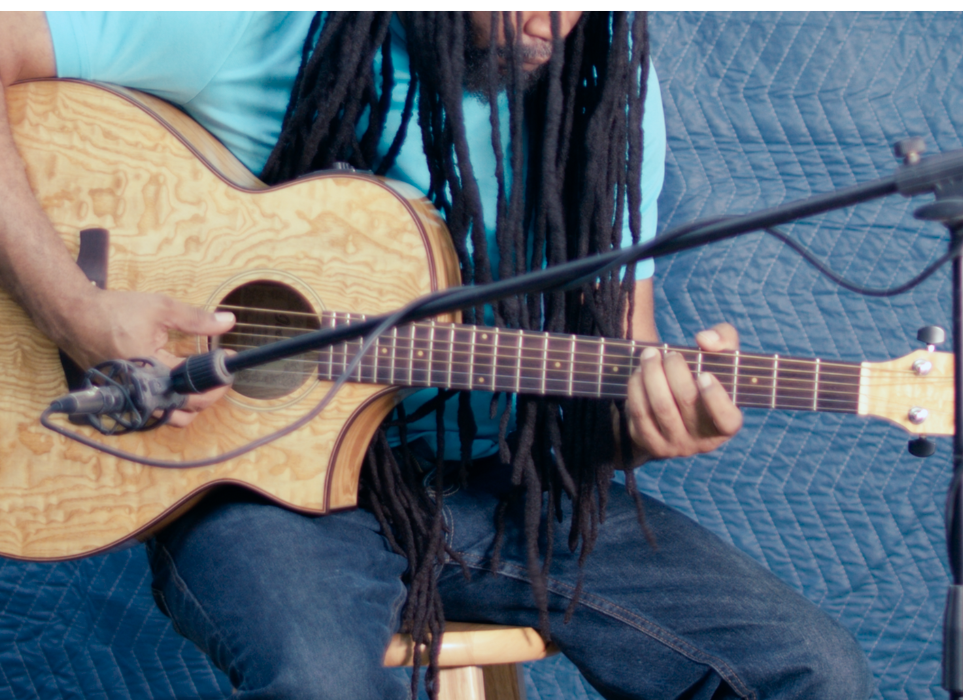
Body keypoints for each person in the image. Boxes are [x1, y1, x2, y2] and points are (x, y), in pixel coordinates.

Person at [0, 11, 874, 700]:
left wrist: (653, 425)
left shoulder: (606, 89)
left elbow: (621, 359)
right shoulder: (261, 26)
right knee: (325, 684)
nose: (550, 21)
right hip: (260, 492)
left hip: (493, 492)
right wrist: (74, 308)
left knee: (811, 671)